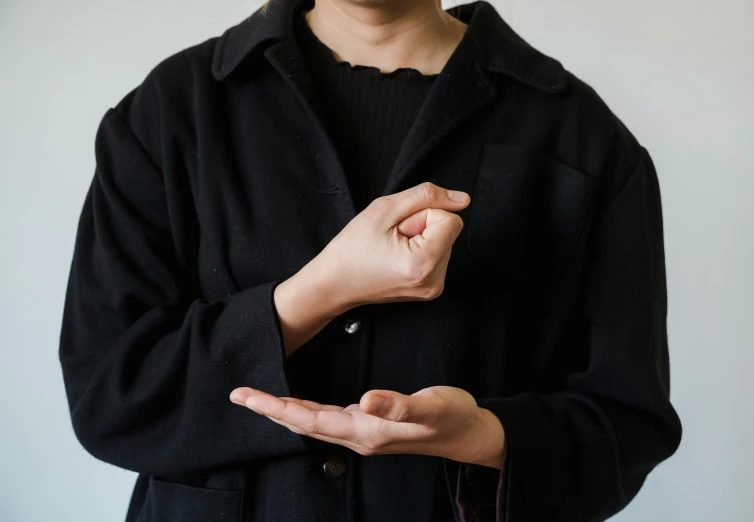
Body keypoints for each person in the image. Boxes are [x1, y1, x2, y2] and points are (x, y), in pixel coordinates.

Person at [58, 0, 683, 520]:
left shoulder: (584, 140)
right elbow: (110, 398)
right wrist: (322, 291)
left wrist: (485, 436)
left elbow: (627, 427)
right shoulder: (170, 111)